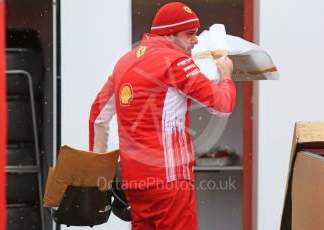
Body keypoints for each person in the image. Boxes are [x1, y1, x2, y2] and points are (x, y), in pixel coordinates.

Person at [89, 2, 236, 229]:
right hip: (171, 182)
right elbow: (222, 105)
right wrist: (226, 76)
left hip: (134, 183)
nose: (195, 40)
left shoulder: (124, 62)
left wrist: (98, 175)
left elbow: (98, 117)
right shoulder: (177, 62)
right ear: (170, 34)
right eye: (190, 34)